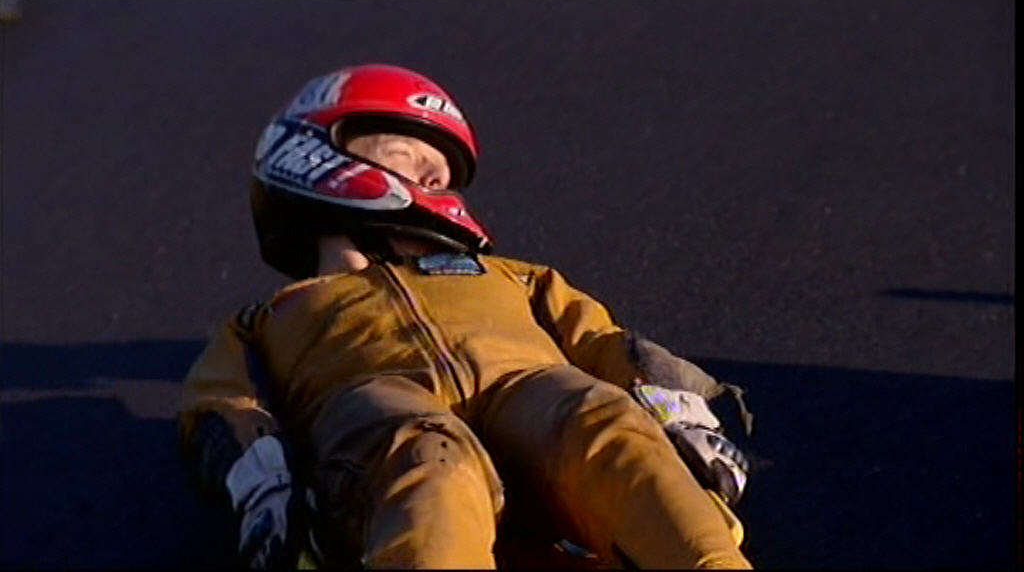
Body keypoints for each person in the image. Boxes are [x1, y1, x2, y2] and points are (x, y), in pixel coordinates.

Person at [178, 63, 756, 570]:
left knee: (601, 416)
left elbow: (604, 342)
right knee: (426, 455)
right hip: (386, 438)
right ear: (313, 155)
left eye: (444, 175)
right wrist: (265, 487)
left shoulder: (515, 276)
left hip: (534, 408)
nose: (438, 182)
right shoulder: (267, 321)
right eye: (411, 157)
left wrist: (683, 416)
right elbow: (224, 406)